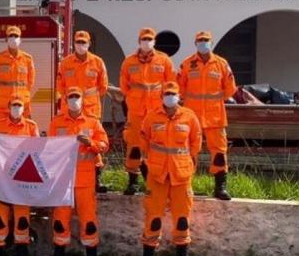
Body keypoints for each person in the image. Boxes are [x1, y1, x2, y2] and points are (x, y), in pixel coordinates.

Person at [138, 82, 202, 256]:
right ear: (161, 96)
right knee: (153, 218)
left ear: (179, 96)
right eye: (166, 94)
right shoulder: (151, 116)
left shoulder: (190, 117)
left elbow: (196, 144)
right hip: (157, 175)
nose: (170, 97)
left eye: (173, 94)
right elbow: (143, 141)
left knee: (182, 219)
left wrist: (187, 165)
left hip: (181, 175)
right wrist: (147, 163)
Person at [46, 87, 109, 256]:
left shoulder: (92, 122)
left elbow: (105, 145)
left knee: (88, 220)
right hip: (62, 180)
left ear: (82, 100)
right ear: (65, 100)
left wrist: (90, 143)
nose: (74, 99)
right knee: (60, 219)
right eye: (71, 97)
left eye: (77, 97)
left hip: (85, 180)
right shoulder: (56, 123)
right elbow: (49, 148)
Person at [178, 30, 237, 200]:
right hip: (191, 117)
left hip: (215, 117)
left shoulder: (221, 64)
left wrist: (214, 101)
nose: (203, 42)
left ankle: (220, 187)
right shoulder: (187, 64)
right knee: (189, 152)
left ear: (211, 42)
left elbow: (230, 89)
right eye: (200, 40)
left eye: (206, 40)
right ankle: (185, 185)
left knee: (219, 152)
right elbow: (179, 88)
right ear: (195, 43)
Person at [0, 97, 39, 256]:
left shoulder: (31, 126)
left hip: (22, 179)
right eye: (14, 105)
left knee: (22, 220)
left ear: (24, 108)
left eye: (19, 105)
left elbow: (37, 150)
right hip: (2, 178)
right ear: (8, 107)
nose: (16, 108)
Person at [119, 27, 175, 195]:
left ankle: (154, 182)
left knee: (156, 147)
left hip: (157, 112)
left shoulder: (164, 61)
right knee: (134, 147)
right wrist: (133, 101)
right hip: (136, 112)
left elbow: (171, 84)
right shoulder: (129, 62)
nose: (147, 42)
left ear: (154, 42)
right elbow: (124, 86)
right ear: (139, 41)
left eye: (149, 39)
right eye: (144, 39)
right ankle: (133, 182)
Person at [56, 30, 110, 193]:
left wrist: (85, 100)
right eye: (78, 42)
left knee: (92, 142)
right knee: (70, 143)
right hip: (70, 109)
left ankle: (96, 177)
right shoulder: (65, 63)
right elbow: (60, 86)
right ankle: (67, 178)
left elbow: (103, 87)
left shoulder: (98, 62)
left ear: (89, 44)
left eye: (83, 42)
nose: (81, 45)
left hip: (90, 110)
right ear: (74, 43)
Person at [0, 26, 35, 122]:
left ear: (20, 39)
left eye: (16, 36)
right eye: (11, 36)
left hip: (22, 102)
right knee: (2, 131)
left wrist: (23, 93)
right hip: (3, 103)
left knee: (23, 131)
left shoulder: (27, 59)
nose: (13, 38)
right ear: (6, 39)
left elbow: (30, 81)